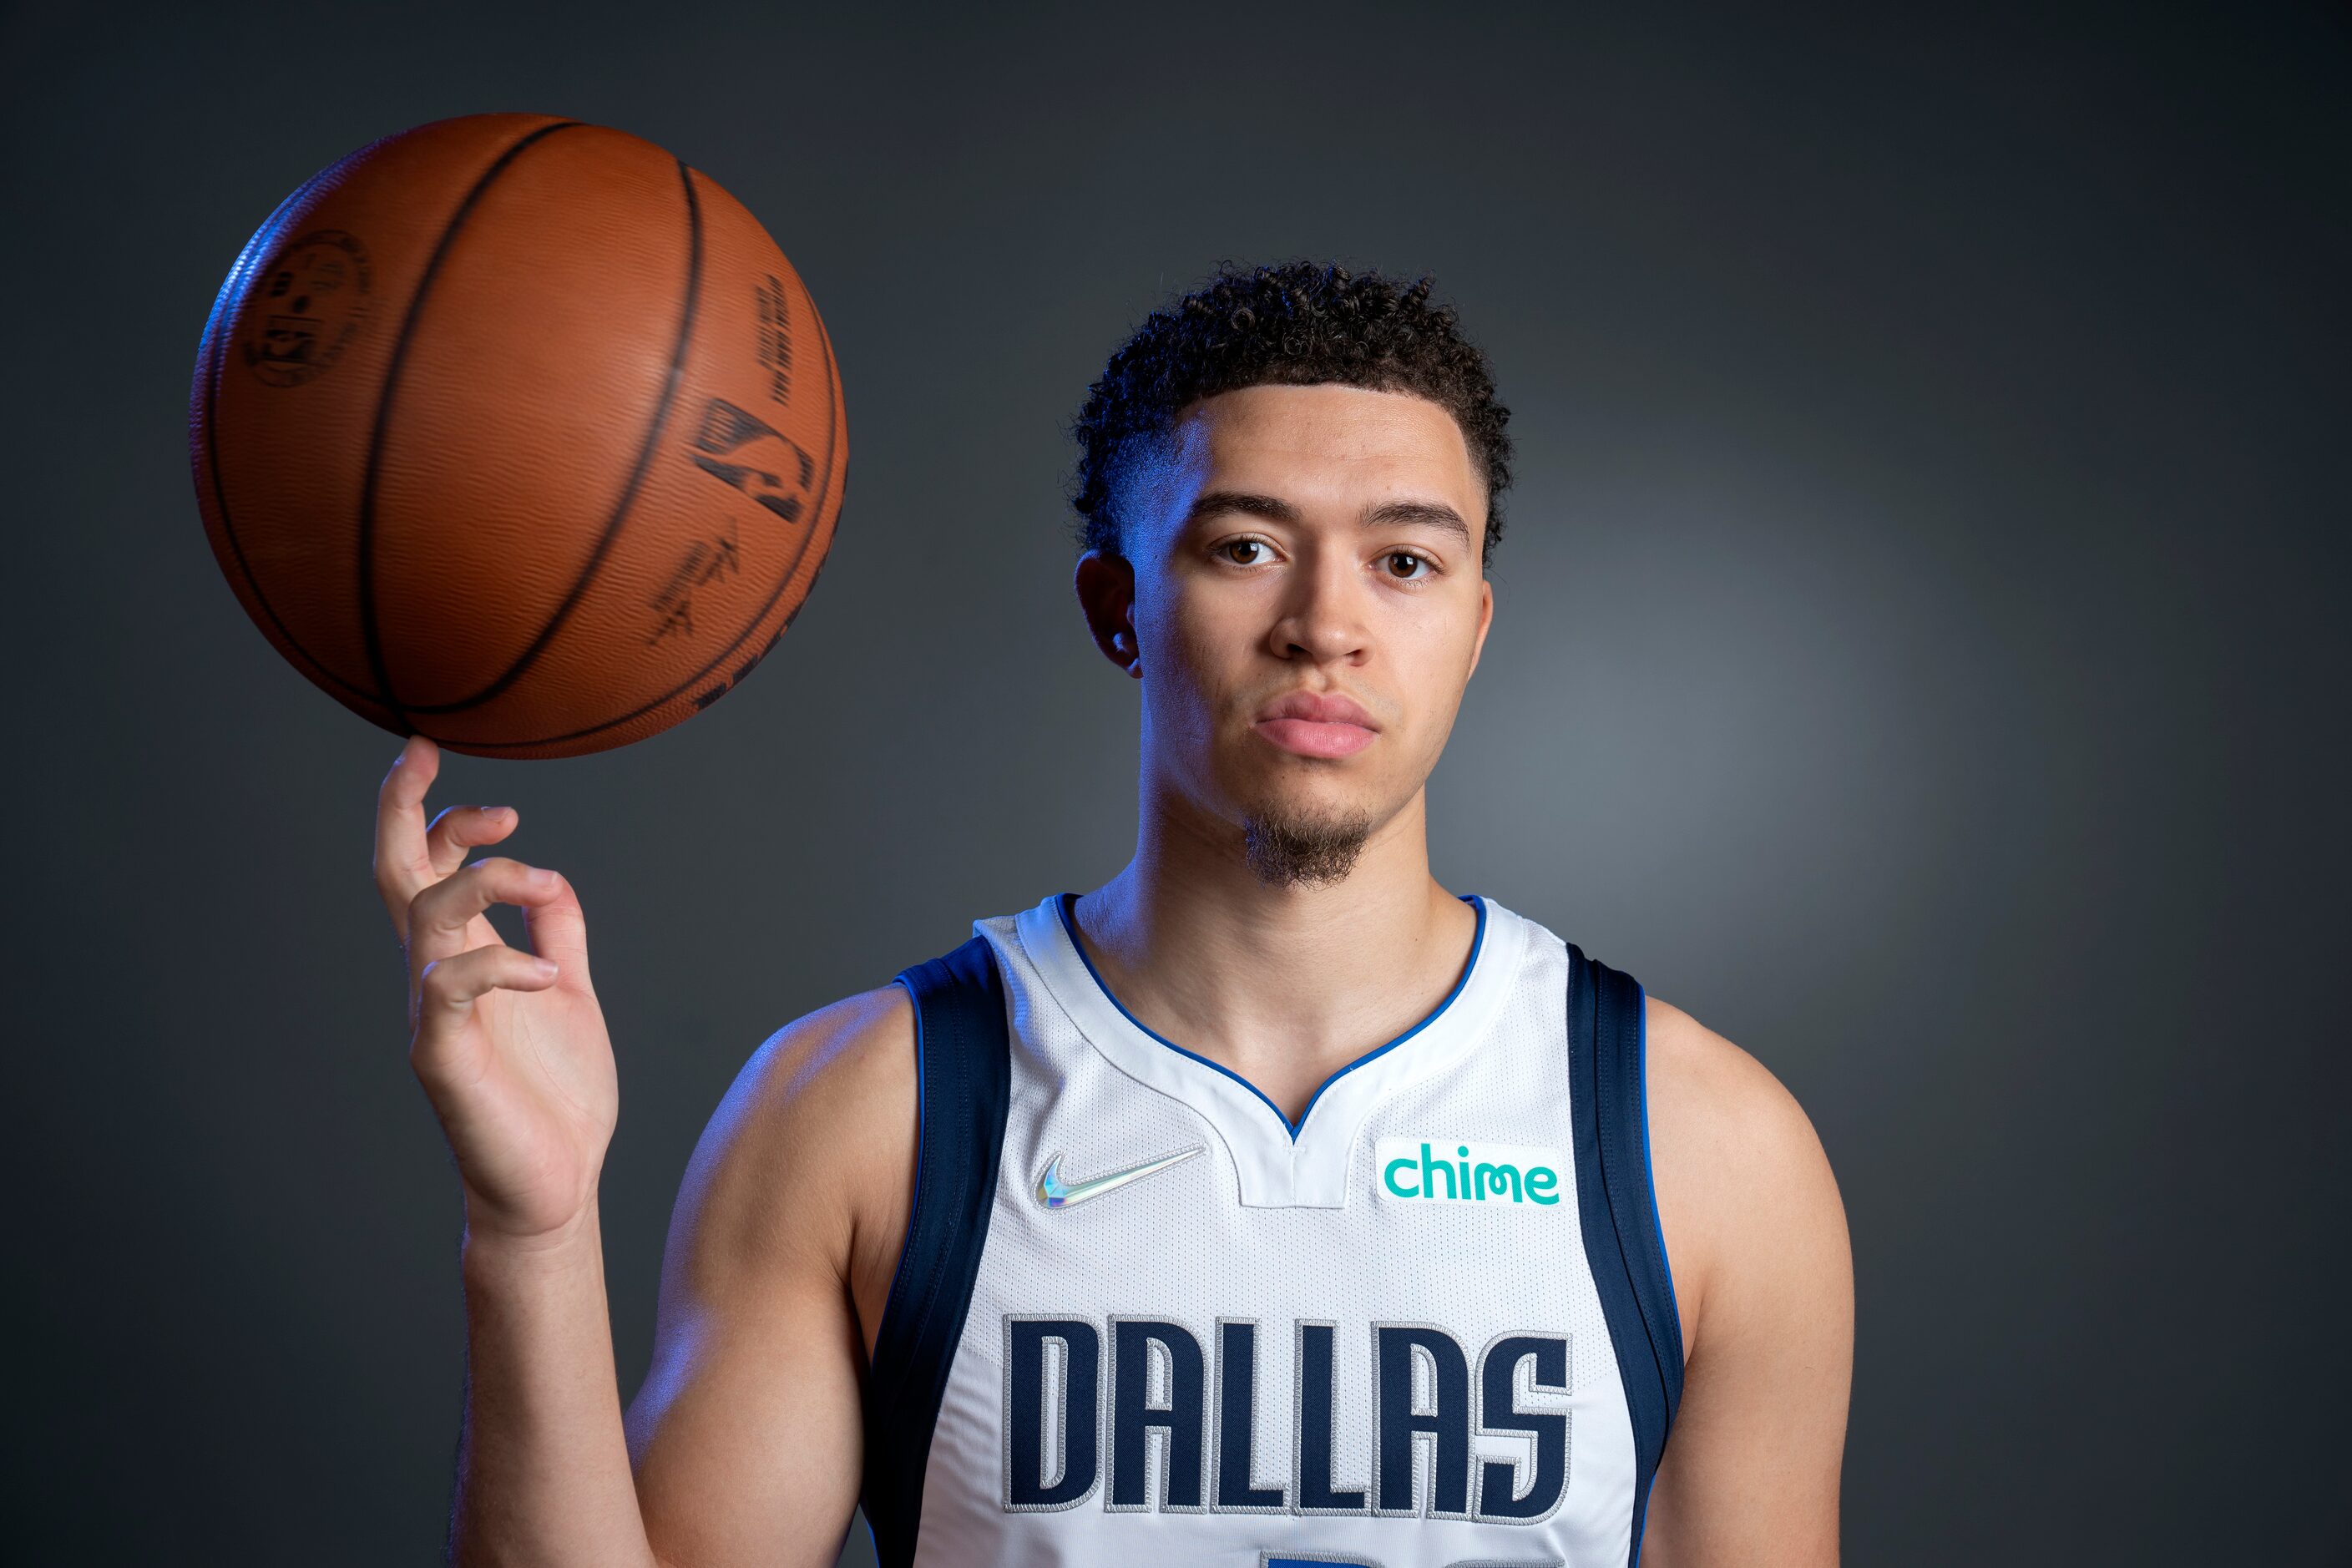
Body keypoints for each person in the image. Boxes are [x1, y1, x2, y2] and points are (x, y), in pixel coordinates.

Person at [373, 262, 1853, 1567]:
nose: (1325, 621)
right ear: (1115, 605)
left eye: (1403, 560)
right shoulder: (868, 1108)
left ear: (1471, 624)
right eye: (1245, 546)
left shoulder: (1700, 1147)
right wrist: (536, 1233)